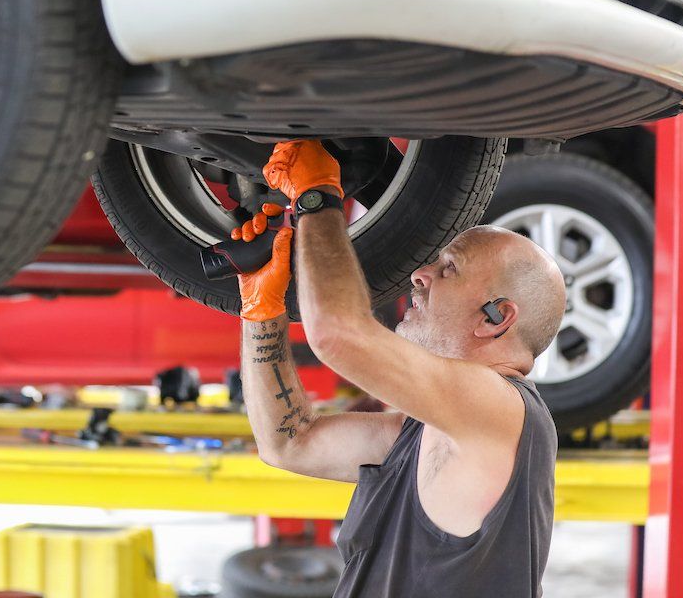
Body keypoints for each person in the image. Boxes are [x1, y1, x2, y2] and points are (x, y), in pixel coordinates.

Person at [235, 140, 565, 597]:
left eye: (449, 269)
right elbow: (289, 443)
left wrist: (317, 196)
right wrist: (261, 310)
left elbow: (339, 334)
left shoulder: (504, 411)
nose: (418, 275)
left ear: (497, 317)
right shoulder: (425, 434)